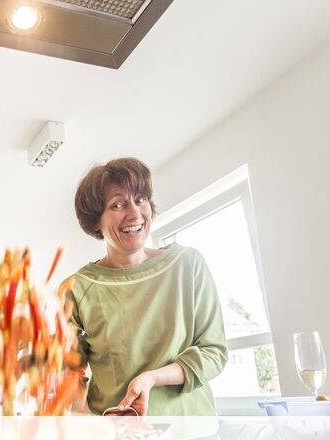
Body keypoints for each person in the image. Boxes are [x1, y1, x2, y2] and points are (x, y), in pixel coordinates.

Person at [68, 157, 227, 421]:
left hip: (191, 430)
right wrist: (85, 418)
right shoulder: (78, 288)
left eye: (140, 200)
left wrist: (153, 378)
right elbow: (68, 373)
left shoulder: (188, 265)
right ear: (96, 220)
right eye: (118, 204)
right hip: (118, 439)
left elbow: (214, 352)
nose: (134, 214)